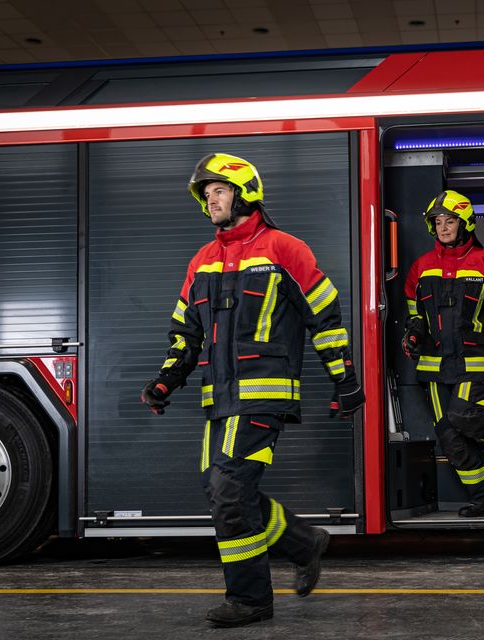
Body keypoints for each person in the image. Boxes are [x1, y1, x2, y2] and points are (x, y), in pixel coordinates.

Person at [140, 152, 364, 628]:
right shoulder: (202, 260)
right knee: (222, 489)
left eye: (218, 191)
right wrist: (166, 380)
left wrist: (345, 380)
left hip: (264, 394)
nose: (210, 202)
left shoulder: (286, 249)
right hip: (218, 398)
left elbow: (324, 318)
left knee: (227, 490)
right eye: (206, 195)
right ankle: (304, 543)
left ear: (245, 193)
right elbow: (185, 334)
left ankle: (250, 598)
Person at [402, 190, 484, 517]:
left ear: (465, 223)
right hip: (434, 366)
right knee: (450, 438)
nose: (444, 228)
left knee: (463, 416)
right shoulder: (421, 268)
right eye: (438, 222)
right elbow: (415, 315)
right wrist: (413, 334)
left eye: (451, 221)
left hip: (476, 362)